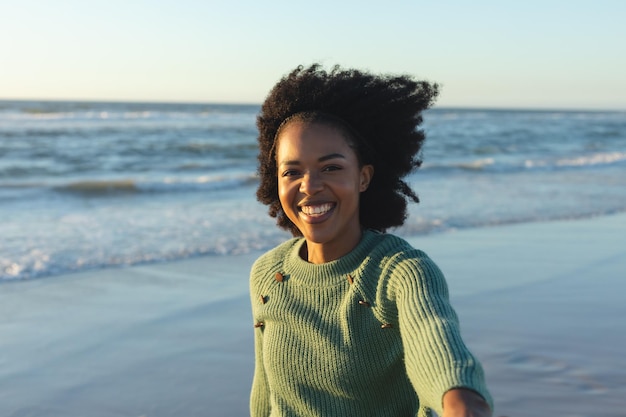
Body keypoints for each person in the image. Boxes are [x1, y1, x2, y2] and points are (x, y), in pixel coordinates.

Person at [250, 64, 493, 417]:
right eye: (292, 171)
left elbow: (434, 340)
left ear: (363, 177)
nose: (310, 185)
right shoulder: (267, 274)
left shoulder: (400, 272)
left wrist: (462, 400)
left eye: (331, 167)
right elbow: (265, 396)